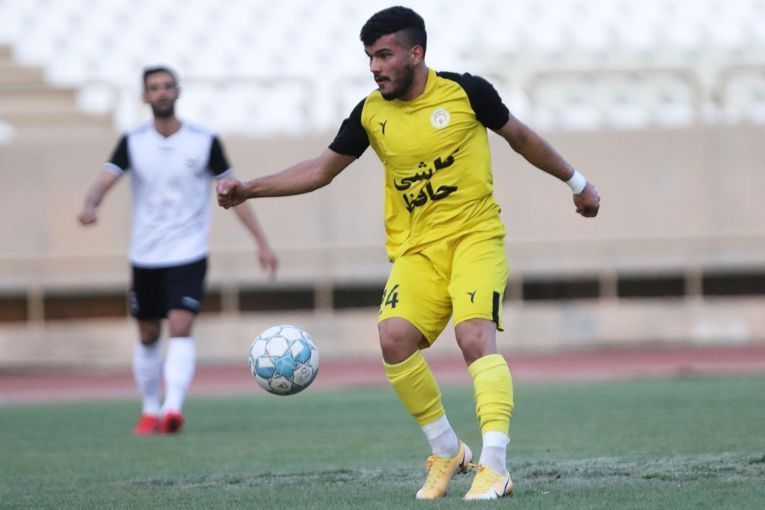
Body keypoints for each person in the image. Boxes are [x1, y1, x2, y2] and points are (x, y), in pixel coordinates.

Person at [217, 6, 600, 500]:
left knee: (473, 337)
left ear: (415, 53)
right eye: (369, 58)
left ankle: (495, 466)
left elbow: (522, 139)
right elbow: (319, 170)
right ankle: (447, 450)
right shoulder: (369, 114)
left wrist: (578, 183)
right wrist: (248, 188)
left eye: (384, 55)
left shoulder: (466, 93)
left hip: (475, 238)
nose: (374, 67)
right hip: (416, 250)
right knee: (393, 338)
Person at [78, 66, 278, 436]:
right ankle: (149, 409)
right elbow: (104, 180)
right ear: (145, 96)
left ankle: (172, 408)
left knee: (181, 325)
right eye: (154, 87)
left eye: (168, 86)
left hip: (188, 252)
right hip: (146, 255)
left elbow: (233, 192)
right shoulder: (133, 141)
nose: (162, 92)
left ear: (178, 92)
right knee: (148, 333)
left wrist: (261, 242)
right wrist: (91, 205)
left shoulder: (204, 141)